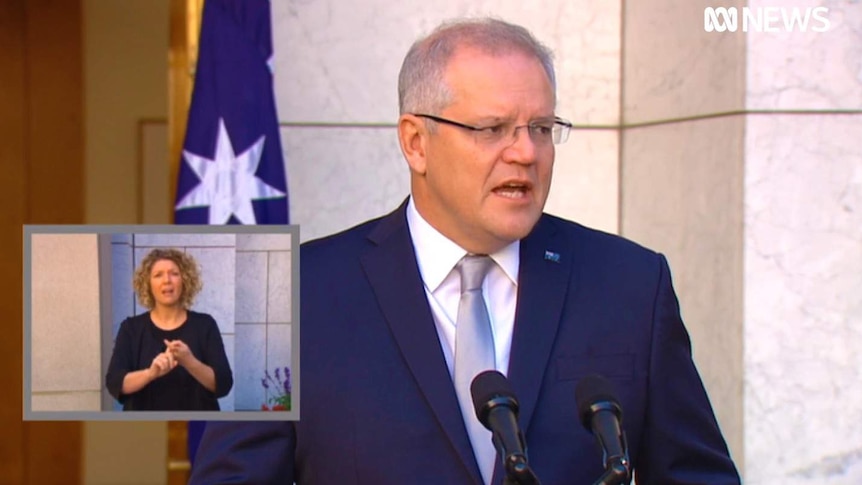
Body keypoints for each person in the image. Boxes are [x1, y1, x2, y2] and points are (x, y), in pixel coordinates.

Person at [190, 18, 740, 484]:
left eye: (542, 128)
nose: (525, 152)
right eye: (492, 128)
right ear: (415, 142)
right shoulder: (289, 297)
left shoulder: (629, 287)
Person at [105, 248, 233, 411]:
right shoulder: (131, 328)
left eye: (174, 273)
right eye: (158, 275)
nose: (167, 280)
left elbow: (224, 383)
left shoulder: (205, 325)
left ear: (185, 280)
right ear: (148, 284)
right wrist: (150, 374)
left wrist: (190, 362)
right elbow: (115, 382)